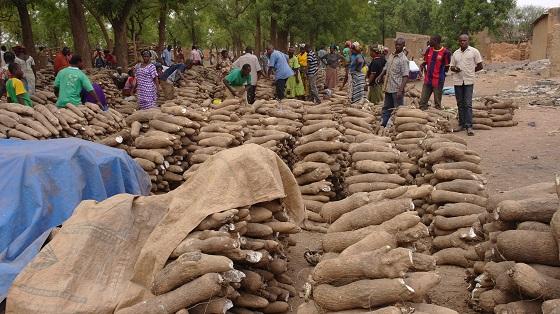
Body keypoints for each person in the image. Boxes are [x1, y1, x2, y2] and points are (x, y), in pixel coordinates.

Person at [450, 34, 483, 136]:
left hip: (469, 81)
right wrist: (455, 69)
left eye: (464, 41)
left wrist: (471, 72)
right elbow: (451, 67)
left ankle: (469, 126)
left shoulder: (474, 51)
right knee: (460, 103)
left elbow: (480, 66)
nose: (462, 42)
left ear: (468, 41)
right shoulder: (455, 53)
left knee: (468, 104)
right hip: (458, 81)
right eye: (461, 41)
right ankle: (461, 124)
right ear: (458, 42)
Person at [376, 38, 409, 127]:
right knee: (386, 108)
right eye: (396, 44)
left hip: (396, 89)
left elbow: (405, 76)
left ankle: (398, 128)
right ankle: (383, 125)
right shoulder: (391, 55)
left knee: (398, 110)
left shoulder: (404, 59)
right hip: (388, 87)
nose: (397, 46)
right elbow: (386, 67)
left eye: (400, 45)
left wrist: (400, 90)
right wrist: (380, 75)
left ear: (403, 46)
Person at [419, 35, 451, 111]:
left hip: (438, 80)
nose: (429, 42)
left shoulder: (445, 52)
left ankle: (437, 118)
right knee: (422, 102)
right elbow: (426, 61)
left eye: (431, 40)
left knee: (437, 103)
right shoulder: (428, 50)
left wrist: (440, 74)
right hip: (428, 80)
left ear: (436, 41)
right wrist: (422, 65)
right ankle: (424, 118)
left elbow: (447, 67)